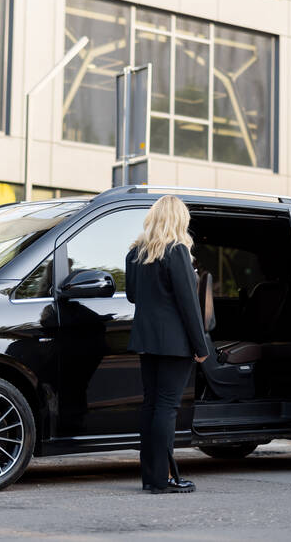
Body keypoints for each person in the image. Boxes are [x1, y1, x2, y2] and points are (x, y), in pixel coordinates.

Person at [125, 195, 209, 494]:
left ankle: (151, 478)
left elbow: (133, 296)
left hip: (146, 340)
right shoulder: (177, 252)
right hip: (175, 342)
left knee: (150, 405)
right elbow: (189, 304)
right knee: (166, 407)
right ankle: (163, 480)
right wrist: (201, 348)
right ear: (179, 220)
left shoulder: (135, 252)